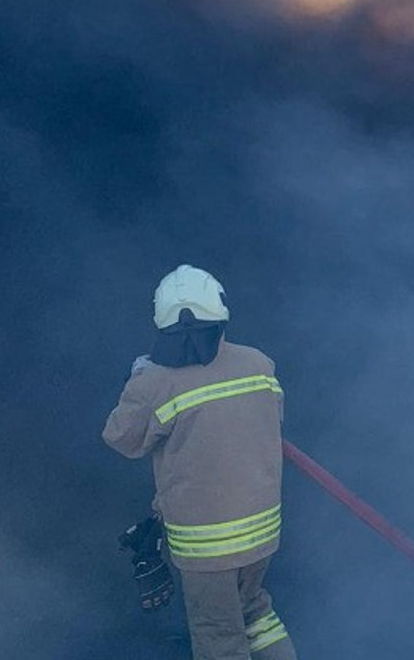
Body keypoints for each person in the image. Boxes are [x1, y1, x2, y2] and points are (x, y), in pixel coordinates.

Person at [104, 264, 297, 660]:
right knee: (256, 611)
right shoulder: (259, 364)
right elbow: (272, 418)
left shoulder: (156, 383)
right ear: (220, 313)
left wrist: (138, 379)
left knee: (218, 636)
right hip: (263, 530)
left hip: (207, 546)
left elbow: (121, 438)